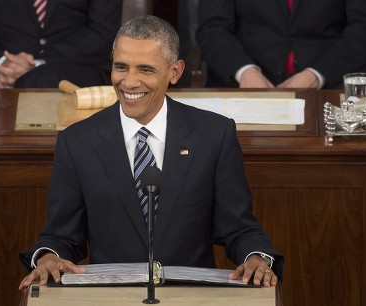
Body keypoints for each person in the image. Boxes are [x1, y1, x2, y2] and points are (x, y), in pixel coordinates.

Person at [18, 15, 283, 291]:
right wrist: (49, 257)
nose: (129, 82)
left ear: (175, 72)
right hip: (111, 297)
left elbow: (239, 228)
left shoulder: (214, 135)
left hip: (189, 297)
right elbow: (61, 237)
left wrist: (256, 258)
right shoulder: (77, 142)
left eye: (145, 70)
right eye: (121, 67)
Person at [196, 0, 366, 89]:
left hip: (334, 80)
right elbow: (212, 28)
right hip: (243, 82)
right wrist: (245, 72)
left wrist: (316, 75)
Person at [0, 0, 122, 89]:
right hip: (0, 82)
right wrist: (1, 66)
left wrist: (38, 65)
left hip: (78, 73)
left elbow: (103, 32)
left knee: (43, 79)